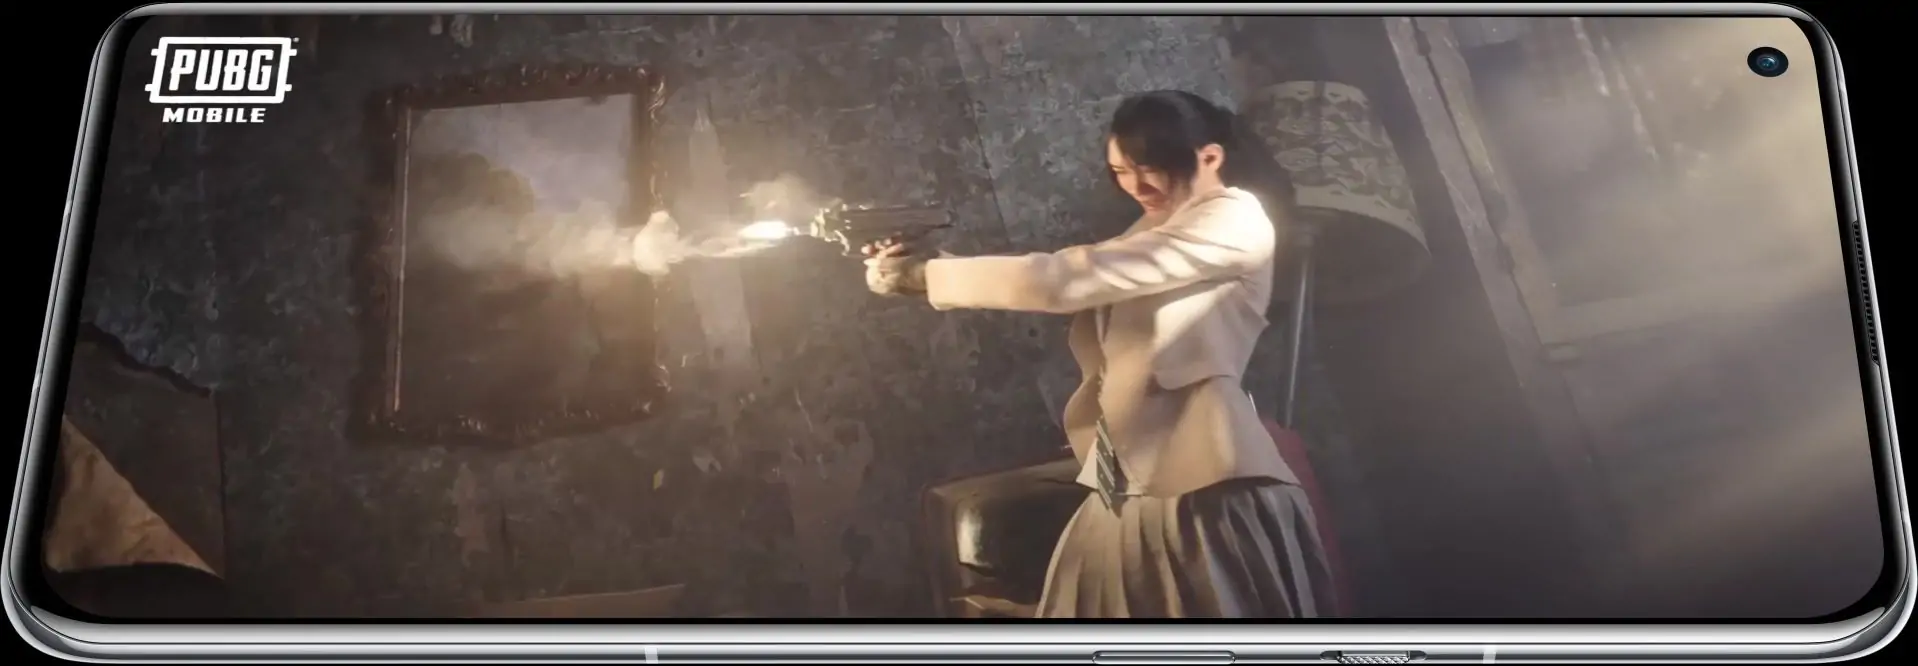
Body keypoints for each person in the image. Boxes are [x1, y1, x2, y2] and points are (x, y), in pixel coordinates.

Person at [863, 90, 1334, 619]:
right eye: (1120, 172)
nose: (1135, 186)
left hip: (1202, 476)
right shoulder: (1154, 231)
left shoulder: (1236, 218)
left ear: (1209, 157)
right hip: (1131, 475)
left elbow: (1070, 278)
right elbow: (1077, 277)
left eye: (1150, 169)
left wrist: (930, 276)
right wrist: (933, 266)